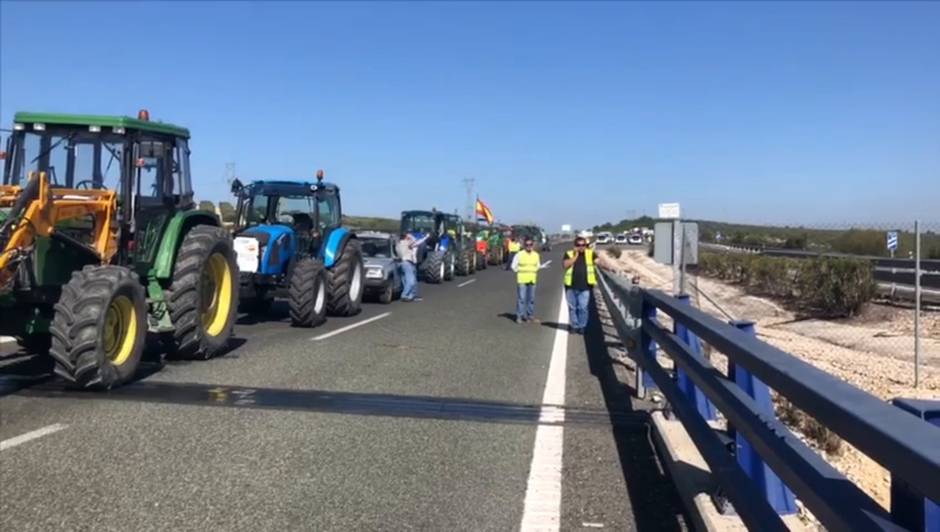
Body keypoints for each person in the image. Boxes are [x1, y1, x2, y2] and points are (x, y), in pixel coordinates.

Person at [563, 235, 596, 334]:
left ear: (586, 245)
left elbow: (600, 262)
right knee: (572, 308)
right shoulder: (569, 254)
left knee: (583, 308)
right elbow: (565, 265)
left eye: (583, 245)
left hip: (585, 286)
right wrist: (576, 255)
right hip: (571, 286)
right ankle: (574, 326)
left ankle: (582, 326)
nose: (581, 247)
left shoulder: (591, 254)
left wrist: (612, 269)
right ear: (575, 246)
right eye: (578, 245)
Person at [511, 236, 542, 324]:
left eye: (530, 244)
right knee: (521, 298)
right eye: (527, 244)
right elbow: (513, 266)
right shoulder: (519, 254)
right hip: (522, 279)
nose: (529, 246)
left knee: (531, 299)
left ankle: (530, 316)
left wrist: (533, 270)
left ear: (533, 245)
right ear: (524, 245)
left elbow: (538, 266)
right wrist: (521, 270)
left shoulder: (536, 255)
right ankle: (519, 316)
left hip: (532, 279)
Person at [397, 232, 428, 302]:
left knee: (409, 281)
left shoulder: (400, 243)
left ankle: (411, 296)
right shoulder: (404, 243)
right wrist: (426, 237)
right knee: (410, 281)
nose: (410, 236)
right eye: (408, 235)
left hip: (408, 263)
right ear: (406, 237)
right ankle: (404, 295)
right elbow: (417, 242)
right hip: (407, 263)